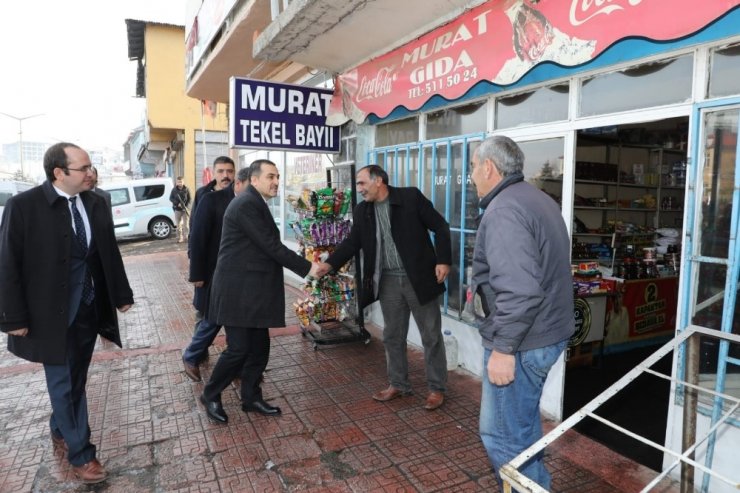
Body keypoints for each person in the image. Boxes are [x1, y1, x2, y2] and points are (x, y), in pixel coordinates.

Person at [0, 142, 134, 484]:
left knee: (76, 379)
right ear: (59, 173)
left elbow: (107, 252)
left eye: (90, 167)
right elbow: (7, 265)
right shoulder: (23, 206)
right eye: (83, 168)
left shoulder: (96, 202)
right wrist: (13, 318)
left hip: (88, 310)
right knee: (65, 382)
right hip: (48, 316)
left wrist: (121, 294)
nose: (91, 173)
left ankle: (60, 425)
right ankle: (82, 455)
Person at [469, 135, 574, 490]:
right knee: (522, 426)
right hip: (543, 334)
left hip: (522, 342)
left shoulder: (504, 210)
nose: (471, 176)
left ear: (489, 167)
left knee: (501, 436)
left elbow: (520, 290)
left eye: (472, 167)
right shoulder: (537, 199)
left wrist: (503, 349)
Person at [317, 165, 452, 411]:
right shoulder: (362, 210)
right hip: (387, 280)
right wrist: (330, 265)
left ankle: (436, 388)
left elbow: (441, 226)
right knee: (392, 335)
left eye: (361, 183)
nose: (359, 189)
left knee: (431, 335)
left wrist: (443, 260)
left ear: (379, 181)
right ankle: (399, 384)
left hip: (419, 278)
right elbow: (352, 242)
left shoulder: (410, 197)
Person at [199, 159, 321, 423]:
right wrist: (308, 267)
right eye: (270, 177)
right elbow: (271, 246)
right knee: (239, 349)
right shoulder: (246, 204)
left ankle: (251, 397)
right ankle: (210, 393)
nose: (276, 181)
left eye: (277, 176)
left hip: (252, 291)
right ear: (254, 180)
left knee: (259, 347)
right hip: (237, 292)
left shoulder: (255, 203)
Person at [182, 167, 250, 382]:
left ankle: (236, 366)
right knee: (211, 318)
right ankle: (193, 355)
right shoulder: (211, 200)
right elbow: (197, 238)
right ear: (238, 183)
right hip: (214, 274)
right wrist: (197, 274)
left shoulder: (249, 203)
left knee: (233, 322)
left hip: (239, 274)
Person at [189, 156, 235, 328]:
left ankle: (233, 349)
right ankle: (198, 352)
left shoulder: (237, 195)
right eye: (221, 171)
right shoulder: (203, 194)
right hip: (207, 263)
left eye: (229, 171)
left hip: (230, 264)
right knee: (203, 310)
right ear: (214, 173)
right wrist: (196, 270)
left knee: (232, 309)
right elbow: (194, 230)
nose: (226, 175)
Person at [169, 176, 191, 243]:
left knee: (186, 225)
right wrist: (177, 204)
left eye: (181, 181)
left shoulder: (186, 189)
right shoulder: (174, 190)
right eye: (178, 182)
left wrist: (186, 206)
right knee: (178, 225)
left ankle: (186, 237)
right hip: (177, 209)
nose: (180, 183)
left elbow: (190, 199)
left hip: (185, 209)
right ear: (176, 182)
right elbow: (171, 198)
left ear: (183, 182)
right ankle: (179, 238)